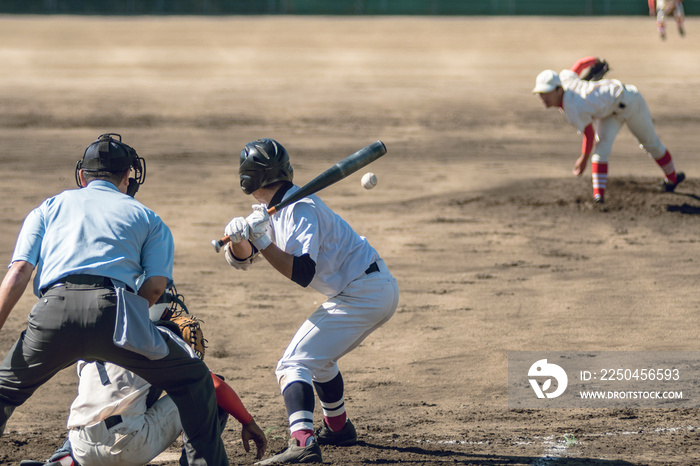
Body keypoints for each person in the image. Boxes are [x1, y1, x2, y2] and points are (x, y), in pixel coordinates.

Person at [0, 133, 227, 465]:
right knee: (194, 380)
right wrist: (129, 321)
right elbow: (153, 288)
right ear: (127, 178)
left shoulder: (48, 207)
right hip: (115, 315)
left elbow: (19, 272)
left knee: (3, 392)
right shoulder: (148, 218)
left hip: (51, 315)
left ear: (82, 176)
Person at [221, 138, 400, 464]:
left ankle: (302, 442)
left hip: (364, 292)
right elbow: (241, 261)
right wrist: (240, 240)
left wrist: (260, 240)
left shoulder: (299, 208)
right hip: (363, 290)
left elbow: (303, 271)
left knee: (292, 365)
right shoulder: (273, 209)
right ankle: (338, 427)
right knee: (319, 359)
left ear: (247, 179)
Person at [21, 287, 267, 466]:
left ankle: (61, 460)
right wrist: (248, 421)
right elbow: (212, 386)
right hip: (127, 446)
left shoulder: (96, 335)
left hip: (81, 446)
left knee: (97, 400)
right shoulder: (158, 339)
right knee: (202, 390)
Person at [532, 57, 684, 203]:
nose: (543, 97)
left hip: (631, 102)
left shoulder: (573, 108)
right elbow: (580, 64)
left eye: (546, 93)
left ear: (559, 90)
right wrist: (596, 60)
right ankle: (598, 196)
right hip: (609, 113)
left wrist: (583, 160)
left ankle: (672, 179)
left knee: (651, 144)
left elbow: (589, 136)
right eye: (540, 94)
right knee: (600, 151)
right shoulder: (565, 80)